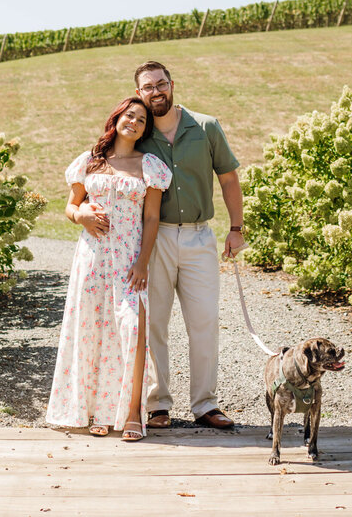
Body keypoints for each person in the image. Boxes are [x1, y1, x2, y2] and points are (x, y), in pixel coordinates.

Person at [46, 96, 172, 441]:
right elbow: (70, 208)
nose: (134, 122)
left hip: (130, 262)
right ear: (116, 118)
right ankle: (96, 411)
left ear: (145, 129)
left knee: (131, 331)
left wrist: (143, 261)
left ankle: (132, 413)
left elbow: (151, 217)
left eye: (142, 120)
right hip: (92, 259)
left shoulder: (150, 166)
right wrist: (81, 215)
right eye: (129, 115)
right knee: (90, 330)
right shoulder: (90, 161)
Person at [132, 61, 243, 430]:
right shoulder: (138, 133)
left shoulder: (206, 126)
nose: (156, 91)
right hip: (155, 237)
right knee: (154, 324)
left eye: (161, 84)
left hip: (199, 236)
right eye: (148, 87)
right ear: (139, 93)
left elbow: (228, 179)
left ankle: (205, 404)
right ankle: (157, 403)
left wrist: (236, 228)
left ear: (172, 85)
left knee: (205, 321)